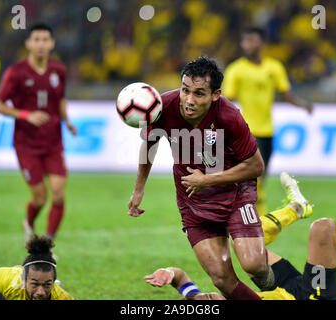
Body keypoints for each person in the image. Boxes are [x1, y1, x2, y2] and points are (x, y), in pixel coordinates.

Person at [128, 56, 313, 300]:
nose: (189, 100)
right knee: (222, 279)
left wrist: (207, 180)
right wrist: (139, 188)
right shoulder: (164, 107)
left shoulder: (229, 116)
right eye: (185, 90)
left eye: (199, 93)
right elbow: (150, 143)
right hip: (193, 202)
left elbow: (256, 165)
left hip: (235, 194)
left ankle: (296, 280)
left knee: (254, 264)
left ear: (215, 95)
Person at [145, 179, 336, 300]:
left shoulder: (217, 298)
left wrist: (169, 273)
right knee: (323, 229)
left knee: (244, 244)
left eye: (206, 297)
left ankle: (296, 207)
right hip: (313, 295)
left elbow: (181, 280)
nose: (210, 296)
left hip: (279, 287)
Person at [0, 23, 77, 243]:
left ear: (51, 43)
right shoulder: (16, 73)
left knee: (58, 193)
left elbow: (60, 99)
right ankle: (29, 223)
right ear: (28, 44)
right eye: (36, 40)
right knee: (40, 198)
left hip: (53, 142)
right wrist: (25, 115)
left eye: (45, 40)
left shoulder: (59, 71)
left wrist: (67, 121)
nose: (40, 44)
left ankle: (48, 243)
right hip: (26, 144)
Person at [222, 27, 313, 216]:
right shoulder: (236, 70)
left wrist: (302, 105)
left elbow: (286, 94)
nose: (247, 45)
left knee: (261, 177)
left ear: (261, 43)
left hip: (267, 131)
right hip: (246, 131)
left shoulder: (274, 67)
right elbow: (226, 99)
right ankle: (257, 219)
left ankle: (254, 217)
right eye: (245, 41)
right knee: (252, 178)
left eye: (252, 40)